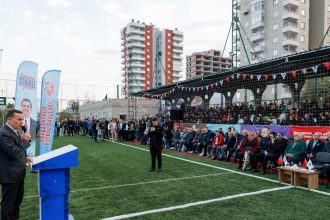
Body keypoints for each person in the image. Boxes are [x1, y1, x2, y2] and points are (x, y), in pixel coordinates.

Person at [0, 109, 33, 220]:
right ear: (9, 119)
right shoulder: (3, 133)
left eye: (22, 119)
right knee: (8, 207)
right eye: (19, 119)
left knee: (16, 204)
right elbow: (13, 152)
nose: (21, 122)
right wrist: (25, 141)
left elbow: (16, 150)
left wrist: (24, 158)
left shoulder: (16, 131)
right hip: (9, 176)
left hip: (18, 174)